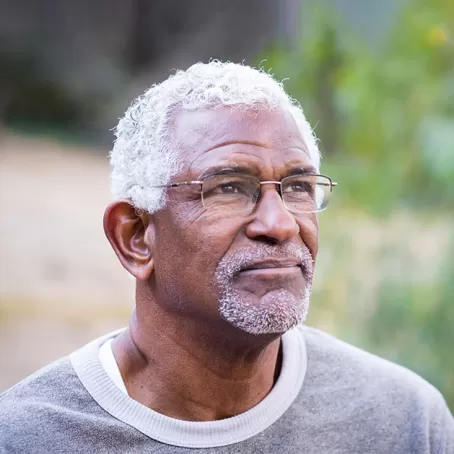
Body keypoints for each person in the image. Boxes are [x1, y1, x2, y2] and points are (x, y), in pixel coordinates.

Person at [1, 61, 453, 454]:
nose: (280, 225)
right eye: (229, 187)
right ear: (136, 236)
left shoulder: (403, 422)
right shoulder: (30, 438)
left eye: (298, 186)